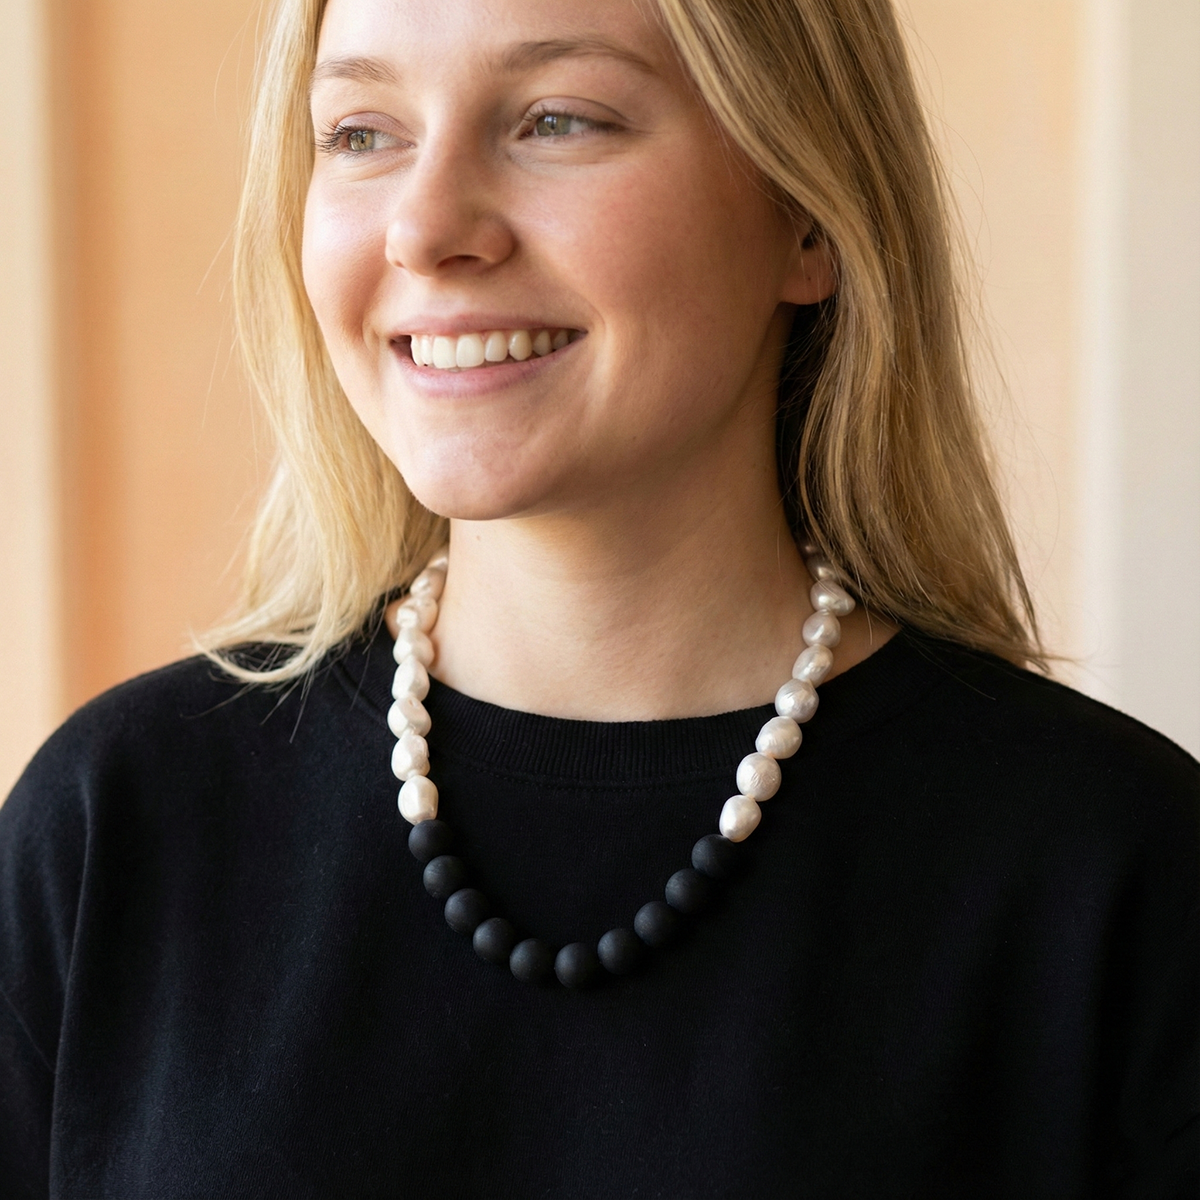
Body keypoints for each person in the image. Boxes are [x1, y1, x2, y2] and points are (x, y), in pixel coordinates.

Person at [1, 0, 1196, 1193]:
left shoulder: (1116, 871)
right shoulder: (115, 825)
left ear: (809, 216)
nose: (424, 228)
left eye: (556, 120)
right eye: (362, 132)